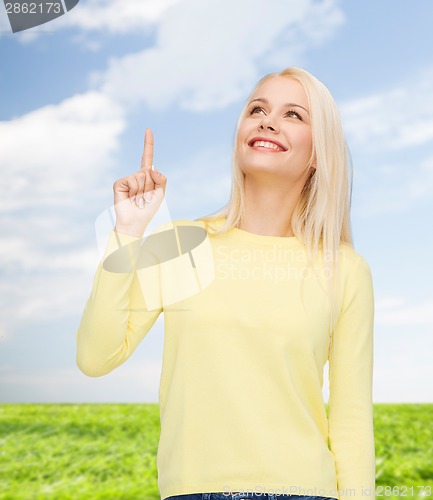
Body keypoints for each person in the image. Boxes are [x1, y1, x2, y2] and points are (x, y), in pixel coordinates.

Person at [76, 67, 376, 500]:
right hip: (192, 491)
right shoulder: (181, 243)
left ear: (318, 153)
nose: (267, 120)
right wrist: (127, 231)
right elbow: (95, 356)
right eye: (257, 108)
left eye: (294, 114)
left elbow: (351, 421)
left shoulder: (345, 270)